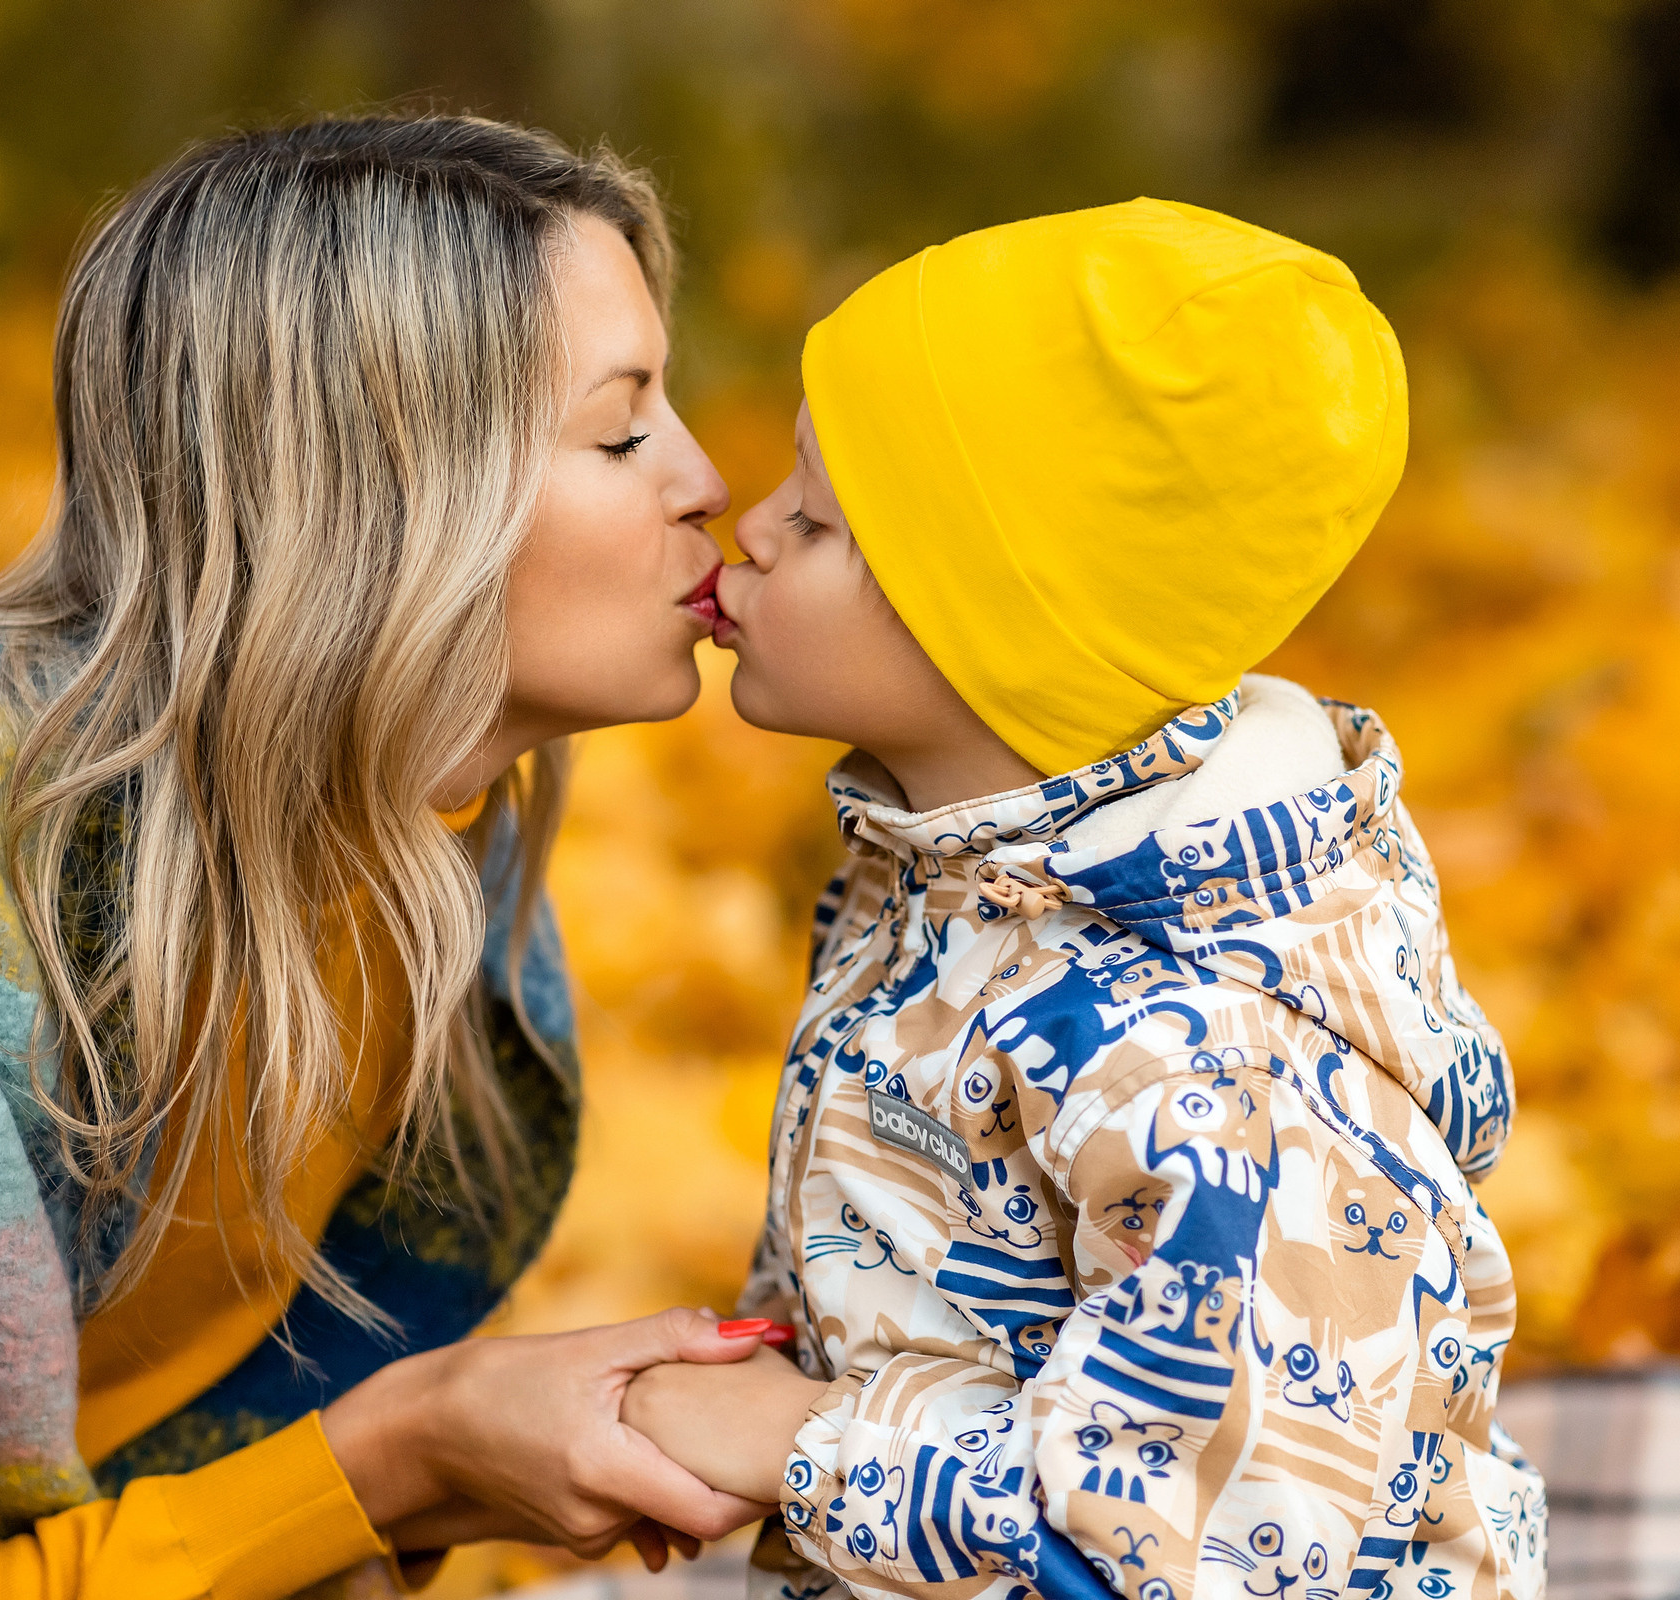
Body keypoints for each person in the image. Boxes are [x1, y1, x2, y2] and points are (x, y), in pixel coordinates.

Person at [0, 114, 780, 1597]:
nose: (706, 480)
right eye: (623, 428)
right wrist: (396, 1461)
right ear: (366, 487)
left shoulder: (434, 886)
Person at [621, 201, 1550, 1600]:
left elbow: (1203, 1550)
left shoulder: (1203, 1065)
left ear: (982, 627)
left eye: (813, 517)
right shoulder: (959, 876)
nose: (746, 523)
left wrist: (803, 1444)